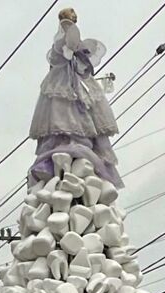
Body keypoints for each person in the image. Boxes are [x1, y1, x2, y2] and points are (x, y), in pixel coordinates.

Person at [29, 7, 123, 187]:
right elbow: (69, 49)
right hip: (66, 81)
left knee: (74, 109)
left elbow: (78, 59)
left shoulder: (69, 43)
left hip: (75, 81)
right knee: (65, 111)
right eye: (71, 17)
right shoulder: (66, 38)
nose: (73, 20)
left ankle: (75, 151)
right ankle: (69, 146)